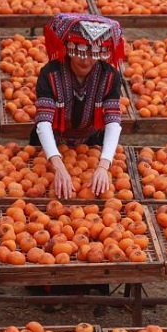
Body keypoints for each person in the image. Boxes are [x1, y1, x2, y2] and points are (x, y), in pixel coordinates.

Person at [32, 12, 126, 200]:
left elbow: (113, 122)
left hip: (91, 144)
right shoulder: (50, 74)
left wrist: (103, 165)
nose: (85, 60)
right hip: (51, 144)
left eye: (93, 54)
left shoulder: (110, 77)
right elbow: (43, 123)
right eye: (79, 52)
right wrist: (58, 166)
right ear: (68, 48)